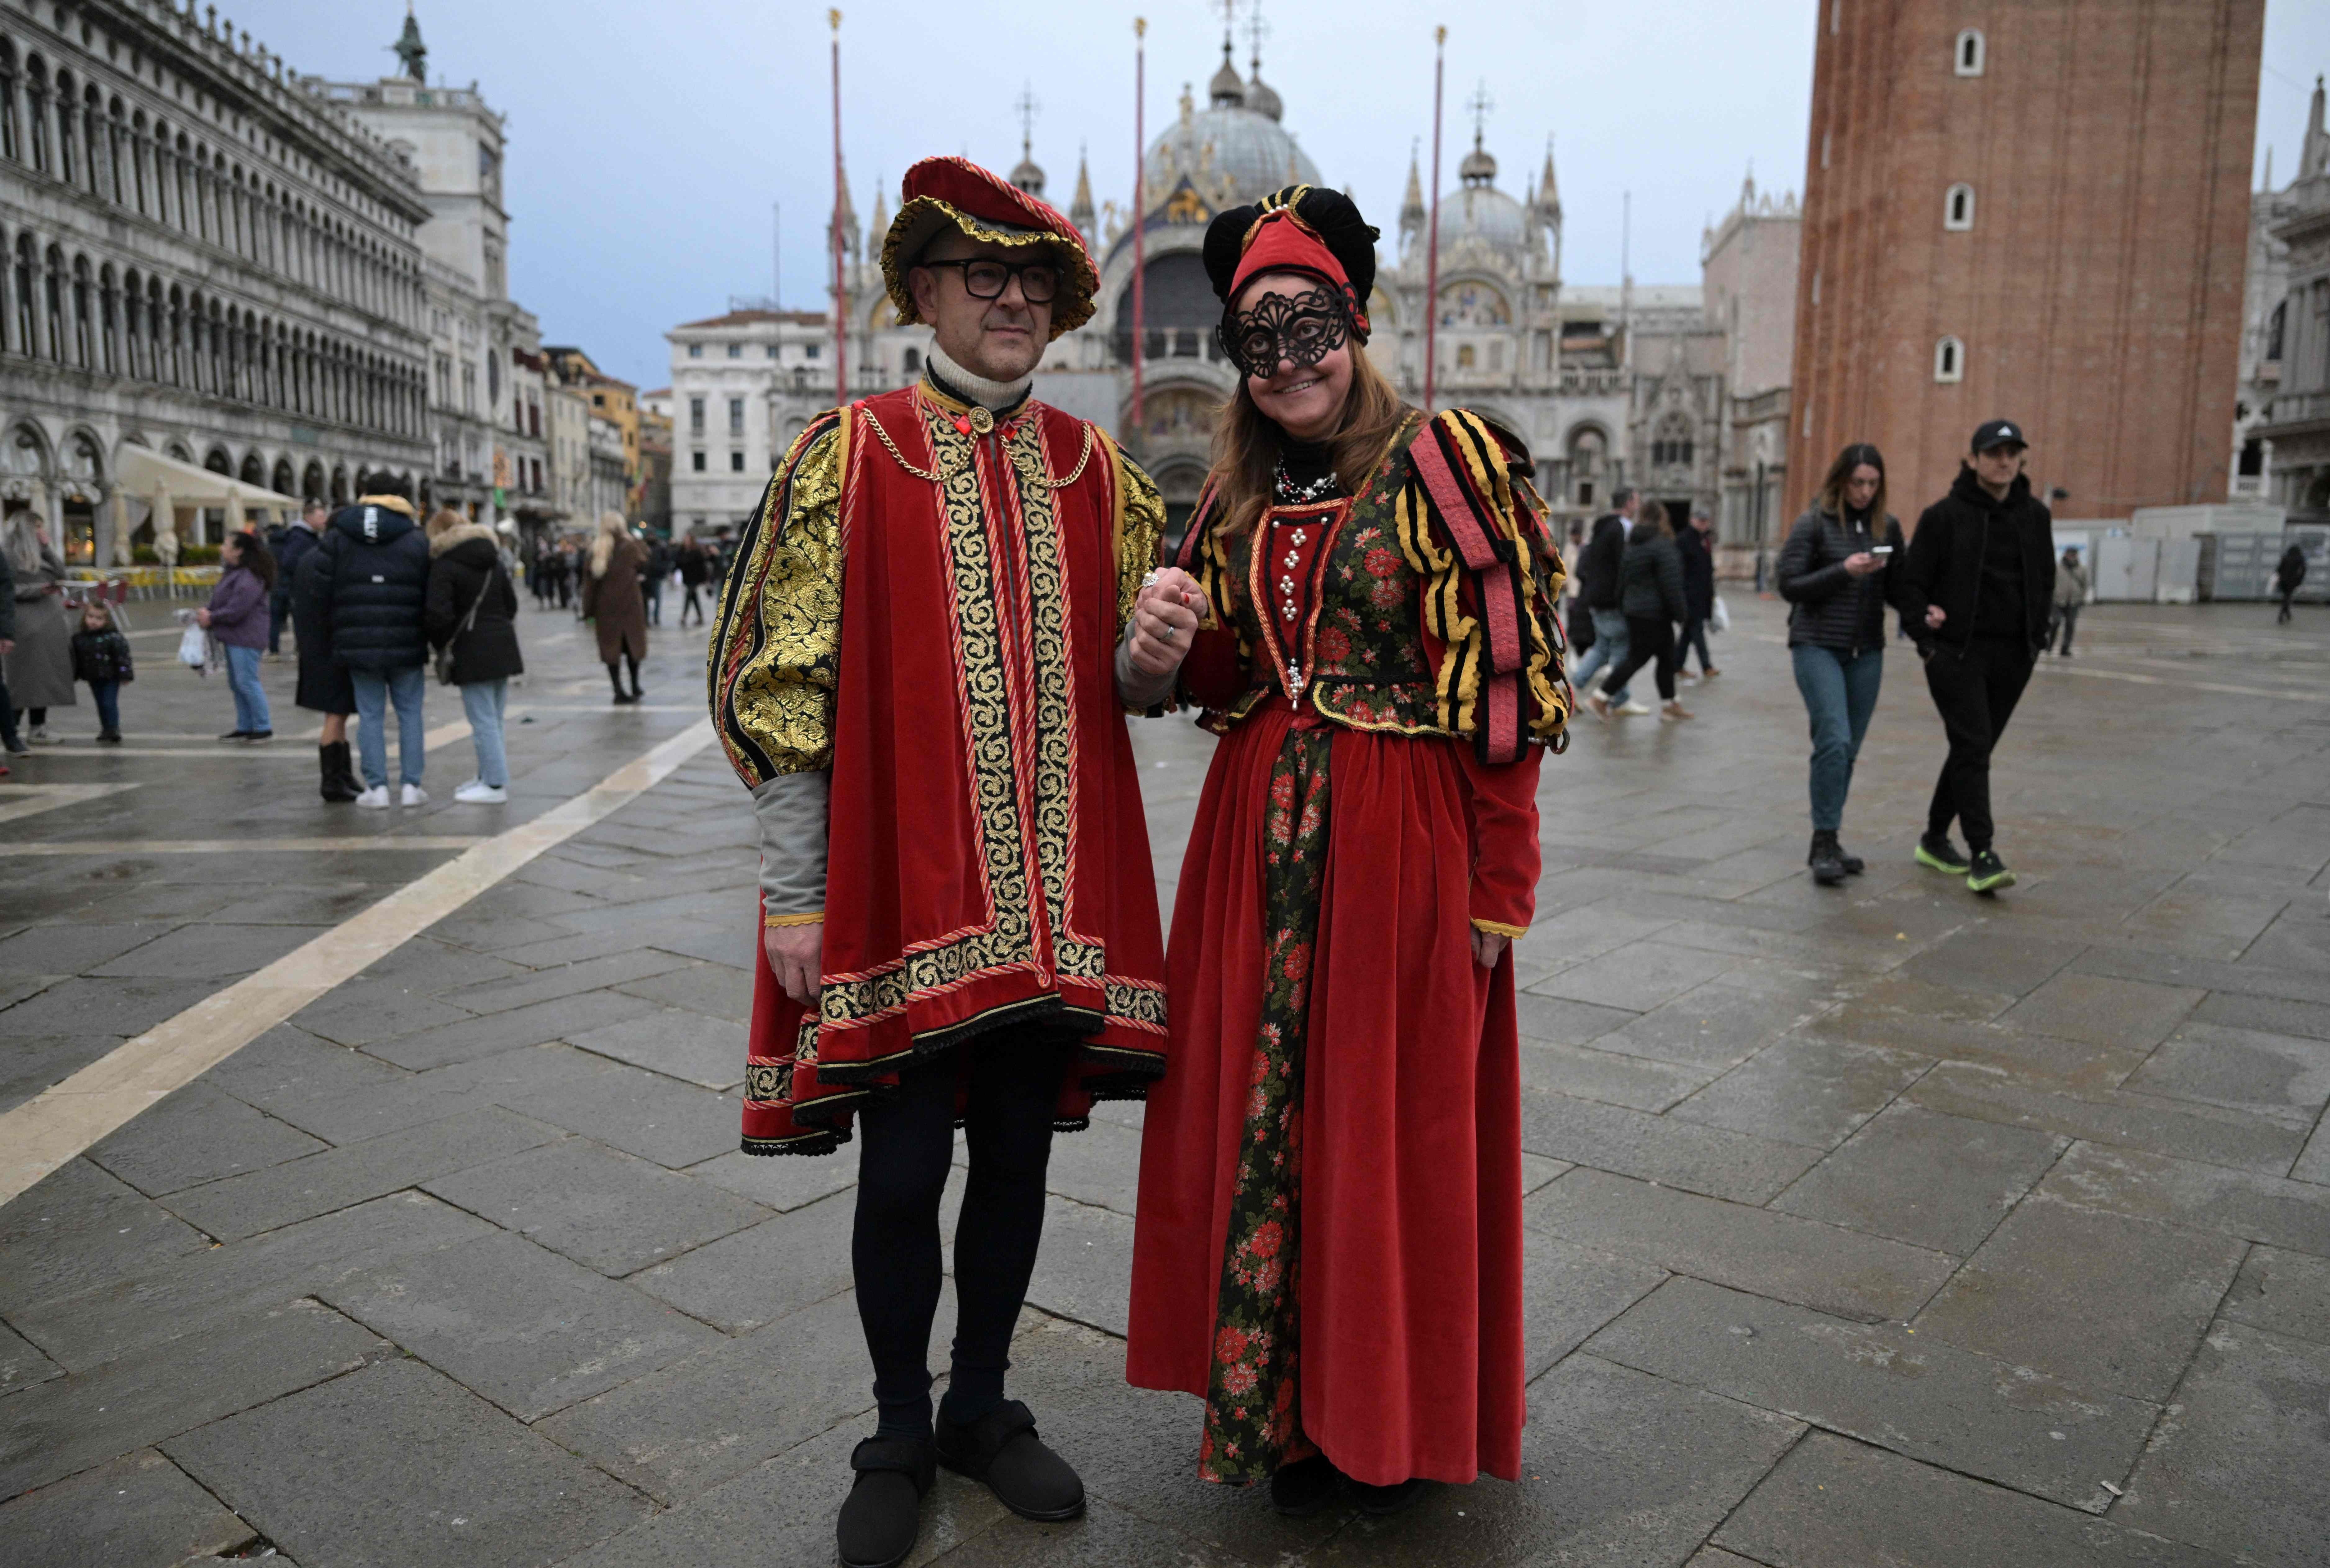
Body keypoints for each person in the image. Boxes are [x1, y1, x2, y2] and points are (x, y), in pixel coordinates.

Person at [711, 156, 1187, 1568]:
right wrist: (793, 886)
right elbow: (777, 679)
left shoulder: (1095, 466)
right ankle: (896, 1424)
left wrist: (1151, 660)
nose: (1009, 301)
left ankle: (982, 1399)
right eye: (982, 275)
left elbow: (1128, 685)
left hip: (1053, 903)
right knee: (902, 1170)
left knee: (1019, 1166)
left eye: (1032, 281)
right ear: (921, 287)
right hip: (900, 893)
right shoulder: (846, 451)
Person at [1129, 185, 1568, 1521]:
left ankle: (1388, 1412)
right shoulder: (1231, 497)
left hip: (1400, 849)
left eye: (1308, 326)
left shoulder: (1448, 466)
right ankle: (1288, 1411)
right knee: (1267, 1120)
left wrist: (1504, 885)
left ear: (1355, 325)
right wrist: (1156, 647)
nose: (1288, 360)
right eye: (1256, 339)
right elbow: (1218, 670)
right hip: (1255, 851)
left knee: (1393, 1125)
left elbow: (1509, 692)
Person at [1898, 419, 2054, 895]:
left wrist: (2036, 637)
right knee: (1972, 745)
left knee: (1975, 747)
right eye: (1992, 453)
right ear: (1973, 459)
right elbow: (1910, 584)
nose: (2002, 461)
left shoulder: (2035, 516)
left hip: (2013, 655)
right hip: (1957, 654)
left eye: (2010, 453)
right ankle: (1983, 853)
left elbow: (2045, 579)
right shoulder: (1942, 516)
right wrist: (1925, 640)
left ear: (2020, 459)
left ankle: (1932, 838)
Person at [1778, 443, 1905, 886]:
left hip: (1866, 650)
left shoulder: (1885, 525)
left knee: (1847, 750)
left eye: (1872, 484)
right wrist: (1843, 571)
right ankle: (1821, 841)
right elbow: (1788, 584)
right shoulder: (1812, 523)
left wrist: (1928, 612)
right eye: (1857, 483)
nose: (1864, 491)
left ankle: (1832, 838)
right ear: (1840, 481)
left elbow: (1900, 588)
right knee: (1832, 737)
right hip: (1816, 644)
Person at [309, 473, 432, 808]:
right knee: (410, 713)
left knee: (370, 714)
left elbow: (319, 590)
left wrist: (334, 630)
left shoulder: (338, 536)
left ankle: (377, 788)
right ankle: (411, 786)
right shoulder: (416, 538)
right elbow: (430, 593)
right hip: (407, 640)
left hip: (357, 640)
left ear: (363, 494)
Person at [425, 508, 525, 804]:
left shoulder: (445, 564)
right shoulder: (492, 559)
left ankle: (494, 785)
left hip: (471, 649)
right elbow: (512, 605)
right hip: (502, 646)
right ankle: (486, 776)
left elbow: (437, 614)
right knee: (493, 718)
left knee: (482, 720)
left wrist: (444, 644)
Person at [1587, 501, 1692, 721]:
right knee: (1637, 658)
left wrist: (1624, 605)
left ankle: (1669, 704)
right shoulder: (1662, 546)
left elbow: (1622, 581)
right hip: (1655, 614)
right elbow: (1671, 584)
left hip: (1636, 611)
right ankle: (1600, 697)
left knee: (1666, 657)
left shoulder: (1633, 545)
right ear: (1662, 520)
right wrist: (1682, 614)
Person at [290, 508, 362, 804]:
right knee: (336, 714)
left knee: (339, 714)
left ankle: (343, 775)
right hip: (330, 646)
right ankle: (332, 781)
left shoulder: (311, 556)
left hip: (315, 645)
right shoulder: (332, 559)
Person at [1566, 487, 1644, 714]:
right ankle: (1620, 699)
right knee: (1621, 648)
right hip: (1613, 600)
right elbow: (1625, 566)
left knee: (1602, 647)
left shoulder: (1600, 527)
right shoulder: (1622, 527)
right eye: (1636, 502)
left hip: (1596, 597)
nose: (1637, 507)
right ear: (1629, 503)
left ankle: (1573, 687)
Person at [4, 512, 76, 745]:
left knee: (45, 677)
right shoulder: (8, 555)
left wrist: (47, 549)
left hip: (49, 622)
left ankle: (38, 727)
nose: (41, 532)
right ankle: (11, 729)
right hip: (26, 624)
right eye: (37, 527)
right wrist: (36, 591)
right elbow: (6, 591)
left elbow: (62, 575)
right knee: (22, 679)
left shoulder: (41, 553)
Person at [195, 530, 275, 741]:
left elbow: (239, 608)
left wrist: (213, 617)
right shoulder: (234, 572)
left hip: (246, 637)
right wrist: (208, 611)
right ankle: (245, 725)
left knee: (247, 681)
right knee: (237, 683)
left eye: (226, 544)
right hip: (234, 636)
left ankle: (262, 725)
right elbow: (223, 600)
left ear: (239, 551)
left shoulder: (249, 576)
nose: (222, 548)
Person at [581, 512, 649, 703]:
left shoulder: (596, 549)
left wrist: (588, 611)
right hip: (630, 607)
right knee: (633, 647)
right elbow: (646, 561)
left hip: (606, 609)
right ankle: (636, 686)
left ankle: (618, 690)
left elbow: (589, 586)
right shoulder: (631, 546)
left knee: (611, 649)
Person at [70, 598, 133, 743]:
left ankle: (113, 728)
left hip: (111, 676)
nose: (94, 621)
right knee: (100, 703)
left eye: (99, 618)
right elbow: (77, 659)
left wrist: (126, 675)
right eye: (91, 617)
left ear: (107, 621)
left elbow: (123, 657)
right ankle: (106, 728)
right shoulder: (80, 638)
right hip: (93, 676)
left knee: (109, 702)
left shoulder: (113, 637)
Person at [274, 498, 326, 659]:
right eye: (320, 516)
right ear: (308, 517)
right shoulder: (300, 537)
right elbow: (289, 563)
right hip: (296, 588)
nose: (324, 520)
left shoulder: (308, 536)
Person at [1675, 505, 1720, 680]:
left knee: (1688, 633)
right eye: (1701, 521)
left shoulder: (1705, 540)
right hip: (1689, 596)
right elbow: (1680, 570)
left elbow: (1707, 570)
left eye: (1706, 521)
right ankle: (1707, 666)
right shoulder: (1683, 540)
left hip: (1702, 595)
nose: (1703, 524)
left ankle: (1677, 666)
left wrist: (1711, 593)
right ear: (1692, 520)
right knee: (1697, 630)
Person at [2049, 545, 2088, 654]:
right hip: (2058, 601)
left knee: (2070, 625)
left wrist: (2082, 598)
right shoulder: (2058, 568)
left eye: (2074, 555)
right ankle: (2050, 644)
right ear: (2065, 555)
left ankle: (2065, 648)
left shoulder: (2082, 570)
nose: (2072, 557)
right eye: (2070, 555)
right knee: (2055, 622)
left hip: (2074, 602)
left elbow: (2085, 585)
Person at [677, 536, 711, 627]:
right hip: (687, 578)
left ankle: (684, 616)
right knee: (694, 597)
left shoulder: (696, 552)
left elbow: (702, 566)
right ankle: (700, 617)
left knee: (689, 595)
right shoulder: (682, 551)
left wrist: (704, 579)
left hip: (695, 578)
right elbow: (678, 562)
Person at [638, 531, 668, 627]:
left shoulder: (660, 548)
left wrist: (662, 571)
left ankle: (655, 618)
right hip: (646, 577)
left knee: (657, 598)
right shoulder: (644, 547)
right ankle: (647, 619)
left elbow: (665, 561)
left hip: (656, 576)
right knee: (645, 599)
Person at [2273, 542, 2306, 625]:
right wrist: (2300, 579)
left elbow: (2279, 569)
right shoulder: (2300, 558)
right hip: (2293, 581)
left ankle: (2287, 614)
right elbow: (2304, 569)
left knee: (2286, 597)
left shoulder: (2286, 558)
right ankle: (2282, 615)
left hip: (2283, 581)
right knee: (2288, 597)